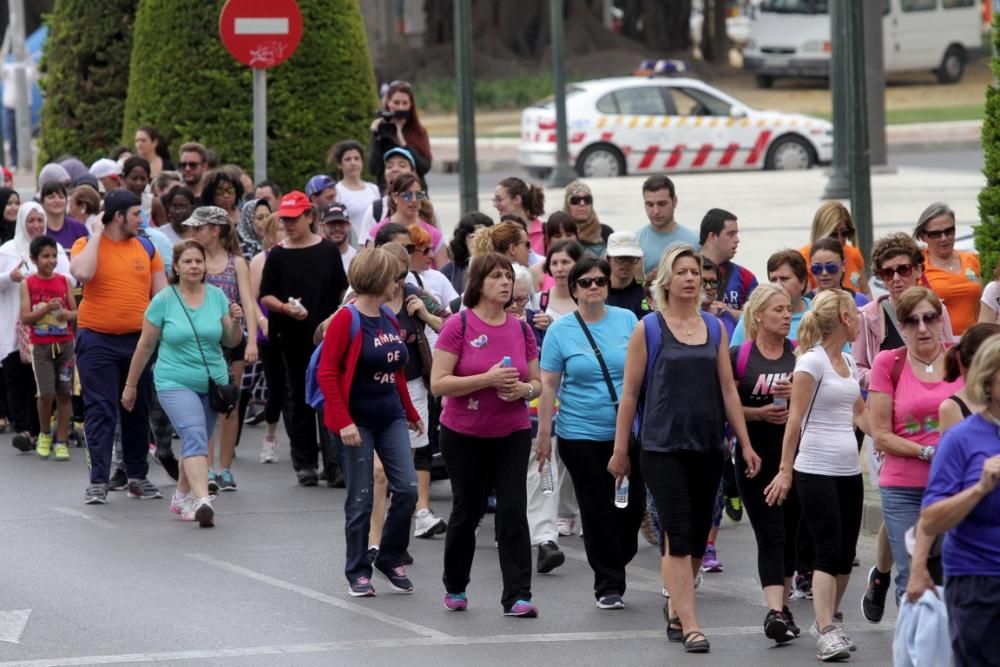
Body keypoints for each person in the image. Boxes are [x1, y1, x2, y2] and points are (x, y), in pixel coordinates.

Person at [609, 243, 758, 654]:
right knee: (676, 532)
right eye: (683, 272)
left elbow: (728, 389)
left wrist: (743, 443)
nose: (691, 279)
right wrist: (621, 451)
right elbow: (630, 394)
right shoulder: (649, 329)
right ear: (665, 281)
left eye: (696, 272)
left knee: (695, 538)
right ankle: (691, 623)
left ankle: (676, 606)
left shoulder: (714, 327)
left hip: (708, 445)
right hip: (661, 447)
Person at [431, 252, 542, 617]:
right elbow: (439, 384)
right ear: (478, 283)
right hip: (463, 433)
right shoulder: (458, 325)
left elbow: (537, 382)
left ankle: (518, 595)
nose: (505, 282)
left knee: (512, 509)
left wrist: (524, 391)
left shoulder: (521, 328)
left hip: (511, 430)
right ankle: (456, 585)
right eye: (496, 276)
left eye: (508, 276)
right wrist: (487, 380)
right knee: (469, 509)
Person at [764, 289, 866, 662]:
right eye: (854, 312)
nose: (859, 318)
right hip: (815, 469)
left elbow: (860, 414)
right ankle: (826, 631)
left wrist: (889, 439)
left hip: (848, 470)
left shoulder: (849, 363)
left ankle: (830, 620)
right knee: (827, 548)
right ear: (842, 316)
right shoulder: (812, 362)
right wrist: (785, 471)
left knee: (846, 552)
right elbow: (794, 421)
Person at [537, 255, 642, 609]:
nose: (594, 287)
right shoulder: (560, 330)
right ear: (574, 287)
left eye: (600, 281)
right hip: (579, 434)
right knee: (596, 510)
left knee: (629, 511)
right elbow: (549, 385)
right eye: (586, 282)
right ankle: (608, 584)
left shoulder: (628, 320)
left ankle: (617, 557)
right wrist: (543, 435)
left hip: (626, 432)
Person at [316, 247, 422, 596]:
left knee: (407, 489)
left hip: (389, 415)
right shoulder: (347, 319)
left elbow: (398, 374)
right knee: (360, 498)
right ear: (380, 280)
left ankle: (389, 556)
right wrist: (344, 421)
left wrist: (410, 412)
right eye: (394, 276)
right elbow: (327, 372)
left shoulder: (389, 319)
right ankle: (358, 569)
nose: (399, 282)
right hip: (355, 421)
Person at [122, 239, 242, 527]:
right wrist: (131, 384)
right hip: (173, 380)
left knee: (195, 439)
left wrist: (234, 323)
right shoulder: (164, 300)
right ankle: (203, 500)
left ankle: (181, 496)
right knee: (195, 436)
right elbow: (145, 346)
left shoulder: (217, 297)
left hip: (212, 382)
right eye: (187, 261)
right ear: (175, 266)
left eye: (198, 261)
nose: (193, 266)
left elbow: (230, 341)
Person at [70, 190, 167, 504]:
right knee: (100, 410)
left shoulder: (147, 247)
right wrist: (97, 234)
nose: (141, 220)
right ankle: (98, 480)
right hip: (96, 339)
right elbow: (82, 273)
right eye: (136, 214)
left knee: (136, 408)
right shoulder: (86, 245)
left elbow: (162, 296)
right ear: (117, 216)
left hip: (138, 341)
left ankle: (137, 477)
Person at [867, 287, 961, 610]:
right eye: (912, 320)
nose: (922, 327)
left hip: (953, 487)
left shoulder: (961, 359)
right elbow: (880, 434)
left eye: (929, 318)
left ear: (940, 320)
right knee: (912, 573)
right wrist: (928, 453)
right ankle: (914, 654)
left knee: (949, 572)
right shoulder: (888, 363)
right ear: (902, 327)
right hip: (904, 486)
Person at [918, 335, 1000, 666]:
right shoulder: (962, 439)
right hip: (978, 583)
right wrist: (979, 488)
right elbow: (931, 519)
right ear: (988, 381)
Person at [730, 283, 804, 643]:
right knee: (770, 533)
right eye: (778, 309)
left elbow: (818, 405)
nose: (786, 315)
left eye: (788, 308)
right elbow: (726, 408)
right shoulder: (739, 357)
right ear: (758, 315)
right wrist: (757, 414)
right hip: (754, 458)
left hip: (795, 459)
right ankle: (774, 610)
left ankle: (784, 606)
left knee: (790, 534)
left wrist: (800, 394)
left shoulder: (801, 355)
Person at [259, 191, 348, 486]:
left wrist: (341, 315)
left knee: (329, 395)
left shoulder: (327, 251)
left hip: (325, 336)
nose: (289, 224)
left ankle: (334, 463)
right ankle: (305, 463)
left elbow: (341, 291)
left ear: (309, 216)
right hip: (291, 336)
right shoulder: (279, 254)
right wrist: (286, 307)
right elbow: (266, 295)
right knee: (298, 397)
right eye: (285, 218)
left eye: (294, 218)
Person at [183, 206, 258, 492]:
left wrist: (251, 341)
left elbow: (248, 301)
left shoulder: (236, 262)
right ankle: (206, 467)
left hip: (232, 339)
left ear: (214, 230)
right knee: (205, 405)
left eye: (198, 228)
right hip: (201, 343)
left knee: (230, 404)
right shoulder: (193, 261)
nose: (193, 233)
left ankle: (224, 468)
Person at [2, 203, 73, 452]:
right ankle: (25, 428)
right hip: (16, 324)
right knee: (18, 378)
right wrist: (10, 277)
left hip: (55, 335)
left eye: (39, 220)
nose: (35, 225)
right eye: (30, 220)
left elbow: (69, 279)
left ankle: (41, 431)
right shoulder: (8, 250)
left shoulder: (53, 250)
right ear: (22, 222)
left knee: (47, 386)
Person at [19, 235, 77, 460]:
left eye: (53, 256)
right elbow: (25, 317)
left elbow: (76, 312)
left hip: (65, 344)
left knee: (65, 394)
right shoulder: (28, 283)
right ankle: (44, 433)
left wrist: (66, 314)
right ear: (34, 259)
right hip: (41, 347)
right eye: (45, 256)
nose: (50, 260)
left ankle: (61, 440)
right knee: (46, 393)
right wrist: (44, 310)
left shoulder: (64, 281)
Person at [249, 212, 286, 464]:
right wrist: (261, 323)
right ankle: (270, 437)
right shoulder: (260, 260)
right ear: (271, 234)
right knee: (276, 389)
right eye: (280, 229)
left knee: (298, 389)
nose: (285, 232)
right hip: (269, 332)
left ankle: (301, 444)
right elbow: (251, 298)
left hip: (294, 329)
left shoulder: (299, 256)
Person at [916, 202, 980, 336]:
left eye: (949, 231)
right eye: (935, 234)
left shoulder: (971, 259)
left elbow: (982, 303)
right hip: (939, 345)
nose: (944, 238)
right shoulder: (917, 266)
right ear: (923, 236)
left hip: (974, 344)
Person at [731, 249, 813, 346]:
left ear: (803, 282)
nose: (778, 285)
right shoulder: (754, 314)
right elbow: (734, 356)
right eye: (773, 280)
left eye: (784, 279)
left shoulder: (817, 314)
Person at [367, 173, 447, 268]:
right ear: (395, 197)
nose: (414, 200)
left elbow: (444, 272)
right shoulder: (378, 231)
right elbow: (370, 268)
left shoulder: (434, 234)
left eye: (418, 195)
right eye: (407, 195)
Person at [369, 81, 432, 189]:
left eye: (405, 103)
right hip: (387, 192)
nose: (400, 108)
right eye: (396, 102)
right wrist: (377, 139)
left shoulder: (418, 131)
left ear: (411, 105)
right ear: (388, 103)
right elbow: (374, 169)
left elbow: (424, 167)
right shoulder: (381, 129)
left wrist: (403, 143)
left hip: (414, 194)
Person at [799, 202, 871, 296]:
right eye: (833, 234)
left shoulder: (854, 254)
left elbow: (866, 292)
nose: (840, 240)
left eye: (845, 233)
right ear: (821, 232)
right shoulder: (802, 259)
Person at [698, 208, 757, 318]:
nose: (737, 240)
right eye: (731, 234)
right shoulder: (684, 271)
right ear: (712, 237)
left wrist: (727, 312)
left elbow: (758, 319)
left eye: (736, 234)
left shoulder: (746, 277)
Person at [635, 175, 700, 275]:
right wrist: (647, 284)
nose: (655, 211)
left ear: (675, 201)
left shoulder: (695, 241)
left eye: (662, 204)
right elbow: (637, 282)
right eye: (650, 204)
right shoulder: (636, 243)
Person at [358, 147, 416, 243]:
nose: (395, 169)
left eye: (402, 165)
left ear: (413, 172)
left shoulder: (426, 209)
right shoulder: (376, 209)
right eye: (389, 166)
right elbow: (365, 251)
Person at [406, 223, 457, 313]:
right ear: (410, 251)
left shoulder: (438, 277)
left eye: (431, 249)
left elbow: (457, 309)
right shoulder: (397, 280)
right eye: (425, 251)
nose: (432, 255)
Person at [331, 139, 380, 229]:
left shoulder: (374, 189)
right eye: (347, 159)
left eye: (356, 158)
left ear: (362, 162)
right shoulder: (336, 191)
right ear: (339, 164)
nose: (353, 163)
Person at [440, 211, 493, 295]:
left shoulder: (500, 268)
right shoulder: (449, 272)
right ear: (464, 239)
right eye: (474, 236)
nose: (480, 241)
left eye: (485, 236)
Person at [808, 237, 869, 307]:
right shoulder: (803, 305)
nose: (824, 273)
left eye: (831, 267)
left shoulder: (860, 301)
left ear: (843, 265)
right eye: (817, 268)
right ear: (810, 268)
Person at [493, 177, 545, 256]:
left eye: (499, 199)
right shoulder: (495, 235)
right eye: (495, 200)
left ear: (517, 199)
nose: (495, 205)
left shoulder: (544, 232)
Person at [605, 231, 649, 320]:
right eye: (620, 258)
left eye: (631, 258)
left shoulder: (645, 292)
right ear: (608, 259)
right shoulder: (599, 292)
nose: (625, 263)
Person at [563, 180, 613, 257]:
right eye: (576, 200)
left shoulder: (605, 232)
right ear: (567, 205)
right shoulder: (560, 233)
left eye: (587, 200)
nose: (582, 204)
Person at [529, 212, 578, 292]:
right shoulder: (537, 271)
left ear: (577, 236)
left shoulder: (589, 267)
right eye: (558, 236)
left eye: (569, 235)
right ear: (548, 240)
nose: (564, 239)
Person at [40, 181, 89, 254]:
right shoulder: (38, 229)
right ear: (42, 203)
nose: (57, 201)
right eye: (51, 197)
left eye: (61, 197)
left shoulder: (79, 228)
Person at [699, 258, 737, 340]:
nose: (708, 287)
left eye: (714, 282)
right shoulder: (683, 316)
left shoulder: (726, 317)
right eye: (703, 282)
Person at [322, 203, 356, 273]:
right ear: (322, 226)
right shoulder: (316, 257)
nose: (337, 228)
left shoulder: (357, 258)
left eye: (341, 223)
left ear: (349, 225)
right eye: (332, 224)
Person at [236, 197, 271, 262]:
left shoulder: (276, 243)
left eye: (268, 217)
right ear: (248, 222)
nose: (266, 221)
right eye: (260, 218)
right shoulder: (240, 249)